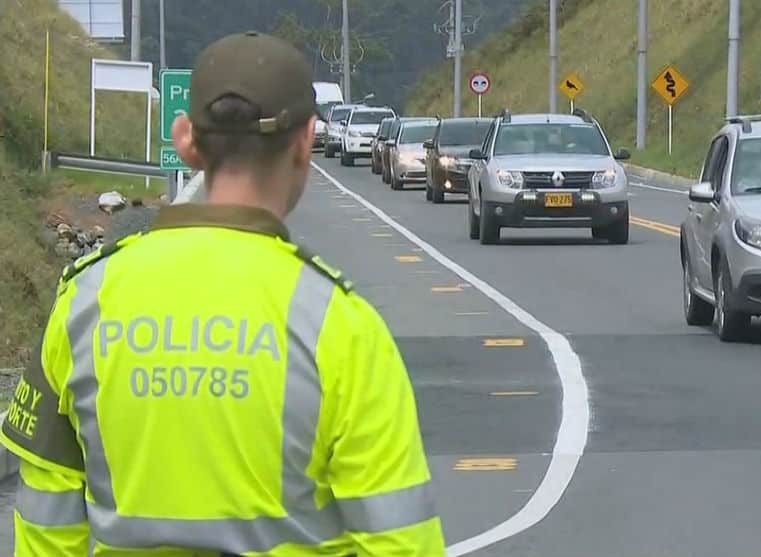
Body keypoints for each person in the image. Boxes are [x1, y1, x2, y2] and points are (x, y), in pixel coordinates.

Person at [0, 31, 446, 556]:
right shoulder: (341, 324)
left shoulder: (84, 300)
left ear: (186, 139)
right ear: (306, 141)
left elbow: (47, 513)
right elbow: (401, 541)